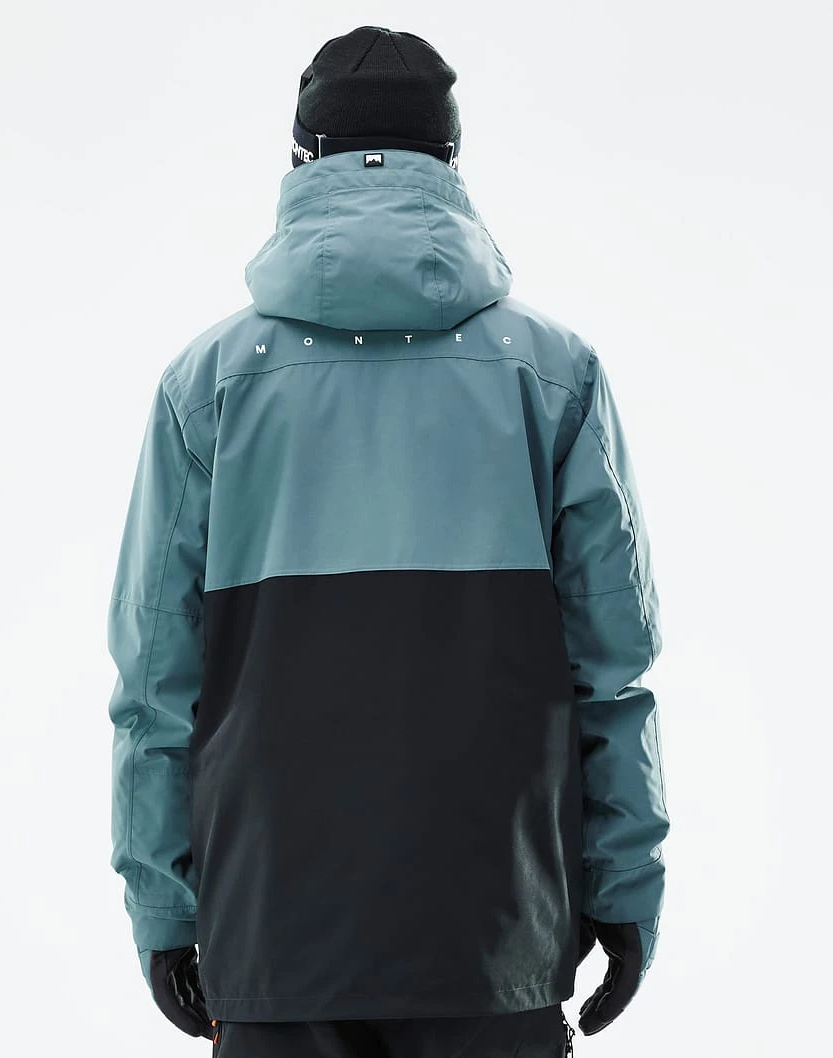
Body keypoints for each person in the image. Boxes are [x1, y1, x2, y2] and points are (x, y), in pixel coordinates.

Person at [106, 25, 670, 1058]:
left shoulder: (209, 383)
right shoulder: (552, 374)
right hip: (495, 934)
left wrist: (162, 907)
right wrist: (625, 885)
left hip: (272, 934)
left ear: (300, 160)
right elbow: (612, 667)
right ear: (450, 163)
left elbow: (155, 682)